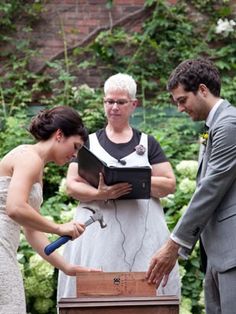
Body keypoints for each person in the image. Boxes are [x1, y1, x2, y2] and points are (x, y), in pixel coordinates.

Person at [57, 73, 180, 299]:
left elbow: (169, 183)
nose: (114, 107)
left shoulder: (148, 143)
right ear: (103, 102)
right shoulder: (89, 143)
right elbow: (72, 185)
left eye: (121, 102)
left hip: (141, 234)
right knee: (97, 294)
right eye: (109, 101)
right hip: (99, 237)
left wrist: (136, 182)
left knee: (143, 295)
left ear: (133, 104)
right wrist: (99, 193)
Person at [146, 58, 236, 314]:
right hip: (217, 252)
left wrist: (174, 244)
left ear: (203, 90)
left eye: (182, 100)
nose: (180, 109)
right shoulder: (213, 126)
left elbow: (210, 189)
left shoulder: (229, 125)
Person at [0, 106, 98, 314]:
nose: (74, 155)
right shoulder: (29, 157)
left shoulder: (36, 164)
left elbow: (31, 230)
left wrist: (67, 267)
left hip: (6, 247)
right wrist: (59, 228)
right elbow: (15, 208)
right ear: (59, 135)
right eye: (75, 146)